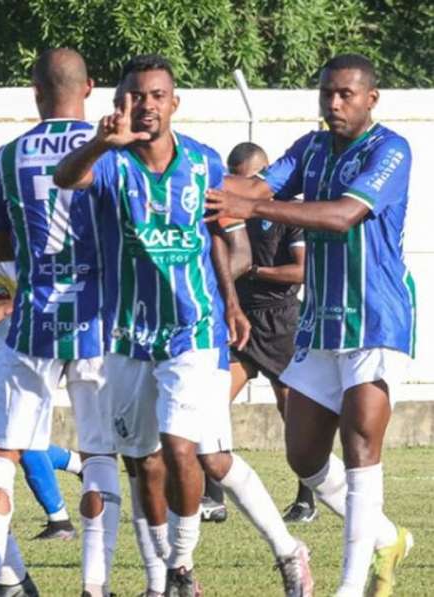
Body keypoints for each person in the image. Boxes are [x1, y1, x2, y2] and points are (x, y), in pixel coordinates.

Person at [55, 54, 313, 597]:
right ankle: (168, 577)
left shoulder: (202, 162)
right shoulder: (110, 163)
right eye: (134, 96)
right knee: (145, 462)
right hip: (128, 334)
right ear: (118, 102)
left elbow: (221, 236)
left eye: (155, 96)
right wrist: (103, 141)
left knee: (184, 448)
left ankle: (181, 569)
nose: (145, 106)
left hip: (194, 329)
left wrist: (230, 300)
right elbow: (66, 178)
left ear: (174, 102)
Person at [206, 53, 416, 597]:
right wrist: (183, 171)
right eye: (327, 93)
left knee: (360, 445)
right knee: (303, 456)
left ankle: (349, 587)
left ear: (371, 98)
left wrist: (254, 210)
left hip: (373, 314)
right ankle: (388, 536)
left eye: (346, 94)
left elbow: (344, 214)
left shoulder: (391, 150)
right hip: (320, 320)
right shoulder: (312, 147)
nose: (334, 103)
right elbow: (259, 186)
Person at [0, 48, 117, 597]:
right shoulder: (111, 153)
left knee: (2, 449)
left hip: (33, 319)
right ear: (90, 88)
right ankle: (94, 586)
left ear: (35, 91)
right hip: (97, 319)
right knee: (98, 452)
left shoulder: (8, 157)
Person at [0, 150, 83, 541]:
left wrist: (4, 309)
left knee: (5, 424)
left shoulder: (12, 229)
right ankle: (75, 466)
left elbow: (39, 284)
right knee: (7, 432)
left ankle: (60, 519)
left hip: (29, 340)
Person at [200, 142, 314, 525]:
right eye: (233, 178)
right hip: (242, 318)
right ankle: (212, 499)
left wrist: (253, 273)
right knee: (211, 406)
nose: (238, 188)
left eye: (246, 179)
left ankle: (306, 499)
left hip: (281, 321)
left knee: (294, 415)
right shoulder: (224, 209)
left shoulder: (288, 211)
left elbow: (300, 272)